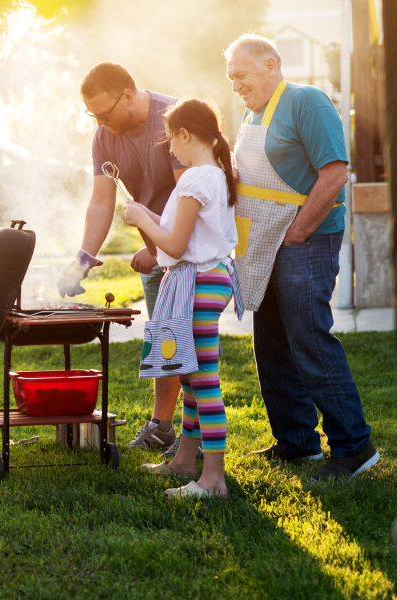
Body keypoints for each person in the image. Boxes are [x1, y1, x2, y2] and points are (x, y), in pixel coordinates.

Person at [224, 34, 377, 481]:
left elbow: (335, 173)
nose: (235, 84)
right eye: (230, 77)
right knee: (270, 341)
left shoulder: (307, 102)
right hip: (264, 242)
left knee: (308, 337)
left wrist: (299, 231)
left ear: (271, 64)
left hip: (303, 241)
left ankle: (354, 447)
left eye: (241, 74)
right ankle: (297, 442)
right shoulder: (254, 112)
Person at [63, 62, 189, 455]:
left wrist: (161, 245)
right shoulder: (105, 135)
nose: (99, 122)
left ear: (129, 96)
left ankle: (196, 439)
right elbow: (103, 200)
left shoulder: (174, 120)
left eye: (104, 113)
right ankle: (163, 426)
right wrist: (83, 257)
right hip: (157, 249)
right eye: (93, 115)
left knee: (186, 341)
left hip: (188, 250)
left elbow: (195, 194)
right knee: (165, 337)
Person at [123, 97, 241, 498]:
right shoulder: (217, 174)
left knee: (203, 381)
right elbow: (181, 238)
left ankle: (213, 480)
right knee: (190, 376)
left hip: (198, 283)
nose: (169, 149)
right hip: (206, 279)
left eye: (170, 140)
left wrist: (141, 219)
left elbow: (172, 244)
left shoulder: (193, 179)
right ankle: (184, 462)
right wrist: (148, 214)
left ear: (185, 134)